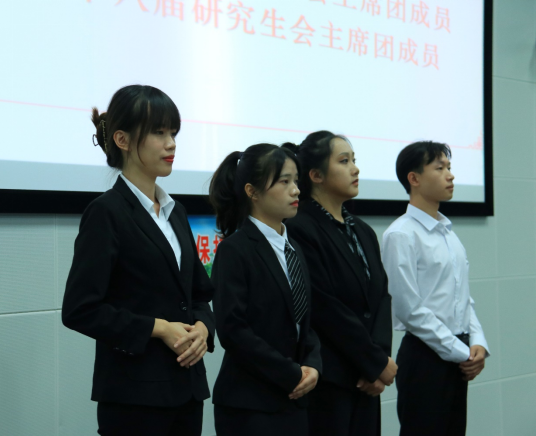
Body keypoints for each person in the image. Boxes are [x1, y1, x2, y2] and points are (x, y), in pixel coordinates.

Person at [62, 85, 215, 436]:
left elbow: (198, 294)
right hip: (134, 398)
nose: (171, 144)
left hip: (187, 390)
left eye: (173, 133)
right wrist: (158, 328)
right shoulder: (106, 213)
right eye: (159, 132)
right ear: (123, 139)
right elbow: (80, 309)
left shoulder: (176, 212)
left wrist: (204, 328)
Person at [283, 131, 395, 436]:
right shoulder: (299, 227)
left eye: (354, 160)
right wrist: (372, 361)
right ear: (316, 175)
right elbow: (323, 307)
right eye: (344, 161)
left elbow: (381, 297)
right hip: (331, 378)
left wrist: (379, 361)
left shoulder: (362, 230)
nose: (355, 169)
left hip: (368, 377)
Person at [209, 144, 322, 436]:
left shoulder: (293, 247)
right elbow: (233, 330)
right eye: (284, 181)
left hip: (294, 399)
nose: (296, 190)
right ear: (252, 191)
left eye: (295, 180)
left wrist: (313, 365)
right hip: (251, 404)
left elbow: (304, 321)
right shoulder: (235, 249)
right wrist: (290, 373)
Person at [381, 141, 489, 436]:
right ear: (414, 178)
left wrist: (478, 342)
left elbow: (463, 297)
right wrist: (460, 351)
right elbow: (408, 308)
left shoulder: (448, 234)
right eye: (440, 168)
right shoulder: (401, 234)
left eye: (449, 167)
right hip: (425, 357)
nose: (450, 175)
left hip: (457, 354)